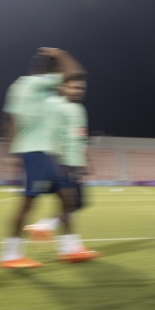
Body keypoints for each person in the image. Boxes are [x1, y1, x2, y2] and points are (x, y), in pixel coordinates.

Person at [0, 47, 82, 268]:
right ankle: (9, 254)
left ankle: (69, 248)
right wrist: (60, 54)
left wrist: (10, 152)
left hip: (39, 152)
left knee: (68, 200)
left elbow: (9, 121)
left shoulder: (18, 86)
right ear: (52, 73)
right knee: (28, 204)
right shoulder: (39, 83)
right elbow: (75, 72)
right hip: (38, 152)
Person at [41, 69, 100, 262]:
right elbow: (53, 136)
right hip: (61, 162)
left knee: (77, 203)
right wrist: (56, 163)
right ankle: (66, 245)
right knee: (71, 203)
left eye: (81, 88)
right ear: (63, 87)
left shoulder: (79, 109)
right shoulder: (56, 105)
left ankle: (63, 243)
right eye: (74, 87)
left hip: (74, 162)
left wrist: (85, 162)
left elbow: (80, 138)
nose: (78, 91)